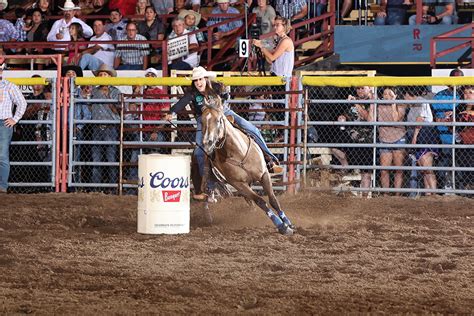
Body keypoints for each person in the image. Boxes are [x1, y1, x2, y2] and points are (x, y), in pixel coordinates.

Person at [171, 66, 283, 199]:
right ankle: (207, 187)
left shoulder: (216, 86)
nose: (198, 83)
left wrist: (223, 100)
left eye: (200, 79)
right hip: (205, 121)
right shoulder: (192, 93)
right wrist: (171, 112)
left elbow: (225, 96)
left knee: (253, 130)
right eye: (196, 81)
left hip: (223, 114)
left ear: (205, 79)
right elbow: (182, 102)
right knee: (199, 152)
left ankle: (270, 161)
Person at [337, 86, 375, 196]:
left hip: (366, 140)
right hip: (351, 138)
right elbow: (348, 115)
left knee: (365, 171)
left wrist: (356, 103)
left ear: (369, 89)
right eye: (358, 88)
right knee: (333, 142)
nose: (360, 91)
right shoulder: (353, 100)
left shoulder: (372, 101)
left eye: (363, 88)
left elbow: (369, 119)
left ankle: (364, 197)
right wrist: (342, 117)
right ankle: (347, 165)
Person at [432, 68, 463, 192]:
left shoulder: (465, 95)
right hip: (444, 136)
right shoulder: (440, 96)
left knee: (461, 165)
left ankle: (462, 192)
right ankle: (441, 191)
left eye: (460, 79)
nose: (457, 82)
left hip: (462, 138)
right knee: (443, 164)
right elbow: (437, 118)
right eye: (454, 79)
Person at [90, 64, 121, 187]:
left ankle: (113, 186)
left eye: (105, 74)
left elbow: (118, 111)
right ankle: (95, 186)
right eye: (101, 74)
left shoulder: (115, 91)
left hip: (110, 127)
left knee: (111, 158)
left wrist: (109, 98)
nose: (102, 76)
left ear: (109, 77)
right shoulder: (93, 91)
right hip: (96, 127)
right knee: (96, 159)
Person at [0, 57, 28, 193]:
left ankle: (2, 186)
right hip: (4, 123)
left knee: (2, 155)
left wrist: (14, 119)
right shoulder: (9, 86)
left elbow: (22, 103)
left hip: (4, 123)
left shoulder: (9, 86)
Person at [404, 87, 438, 196]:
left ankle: (434, 193)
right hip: (419, 135)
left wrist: (415, 137)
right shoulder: (413, 105)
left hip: (424, 135)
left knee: (427, 167)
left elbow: (420, 119)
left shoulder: (420, 101)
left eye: (404, 96)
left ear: (408, 95)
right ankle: (428, 193)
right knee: (423, 168)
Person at [377, 87, 407, 196]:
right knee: (384, 169)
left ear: (395, 95)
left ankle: (397, 195)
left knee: (398, 169)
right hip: (384, 139)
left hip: (398, 138)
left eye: (390, 94)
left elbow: (395, 119)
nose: (387, 96)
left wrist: (393, 101)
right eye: (385, 94)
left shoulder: (400, 104)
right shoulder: (378, 105)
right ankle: (386, 194)